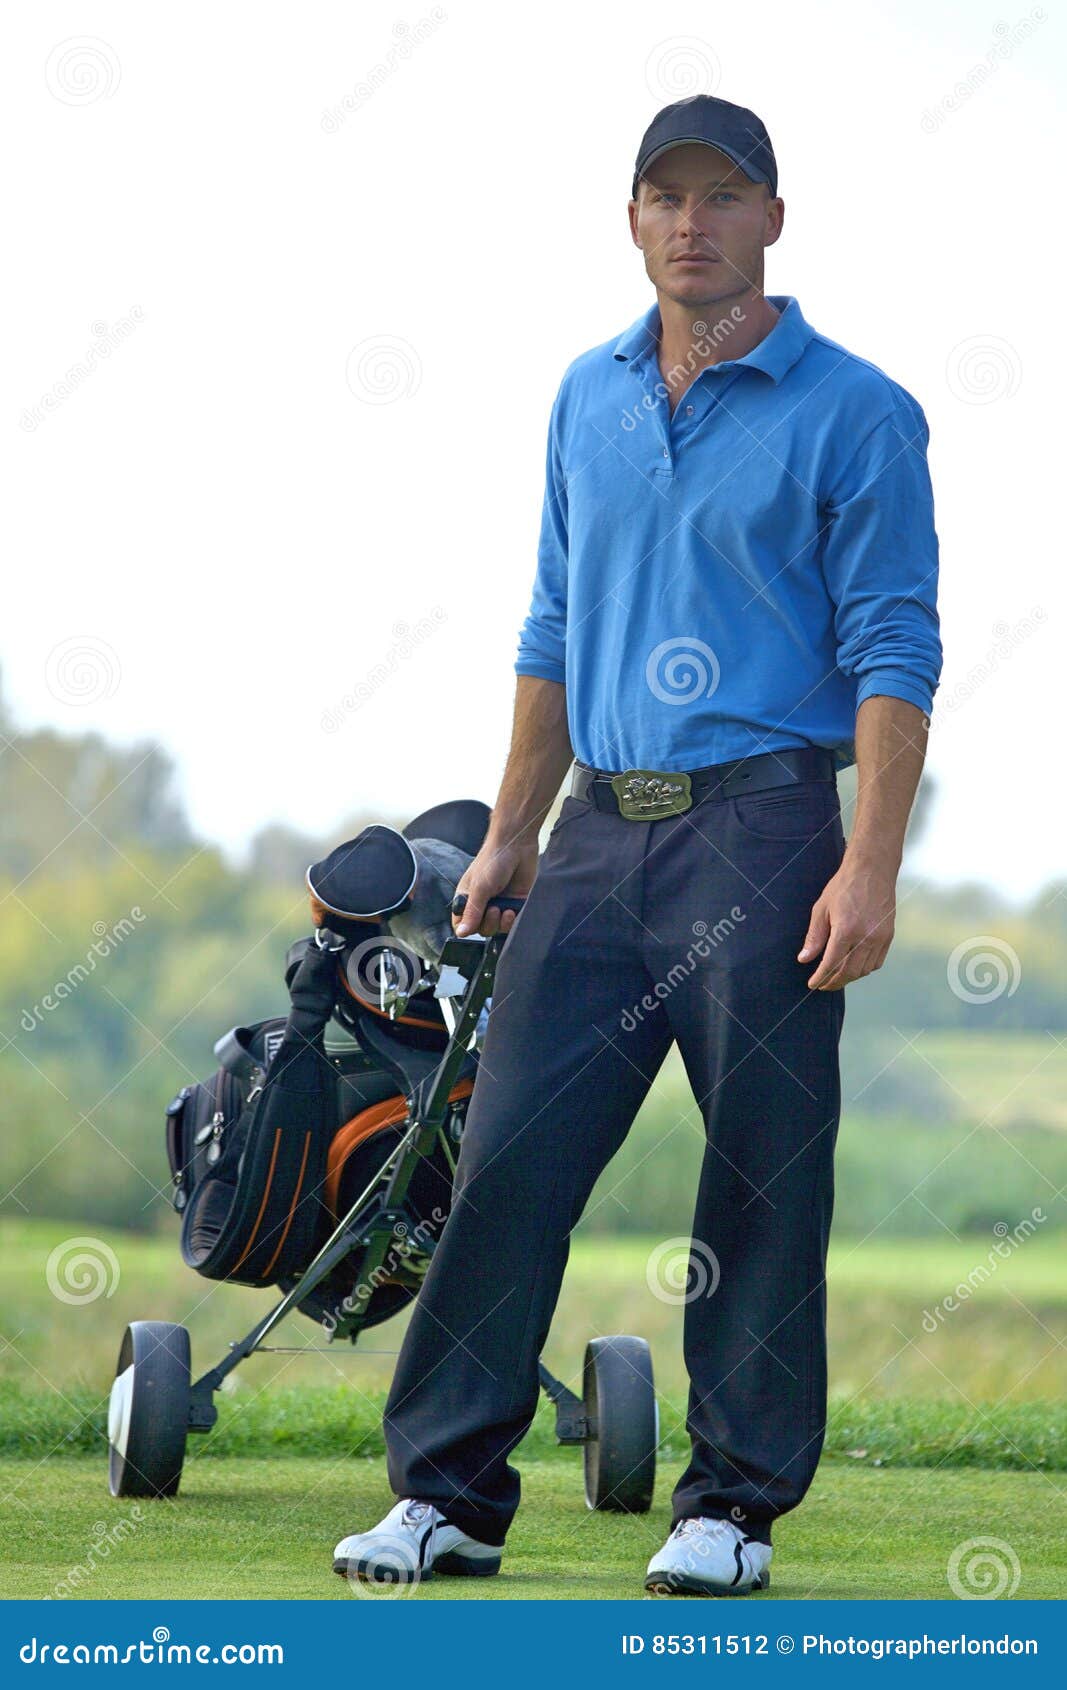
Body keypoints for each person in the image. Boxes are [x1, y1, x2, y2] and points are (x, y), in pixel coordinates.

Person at [333, 92, 942, 1596]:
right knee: (508, 1160)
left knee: (759, 1177)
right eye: (666, 197)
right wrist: (513, 833)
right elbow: (552, 622)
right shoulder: (582, 396)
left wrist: (870, 861)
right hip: (600, 837)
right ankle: (452, 1495)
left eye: (723, 197)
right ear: (632, 219)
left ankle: (730, 1507)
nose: (693, 222)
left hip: (771, 834)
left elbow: (892, 647)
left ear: (773, 221)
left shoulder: (856, 410)